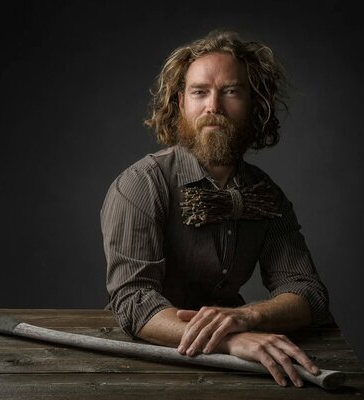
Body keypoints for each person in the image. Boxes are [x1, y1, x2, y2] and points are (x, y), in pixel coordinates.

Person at [100, 29, 331, 388]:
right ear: (181, 105)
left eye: (231, 91)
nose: (214, 107)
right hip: (146, 362)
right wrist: (229, 341)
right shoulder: (139, 184)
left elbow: (308, 294)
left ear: (255, 104)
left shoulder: (267, 194)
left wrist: (247, 317)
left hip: (240, 371)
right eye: (200, 92)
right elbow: (133, 302)